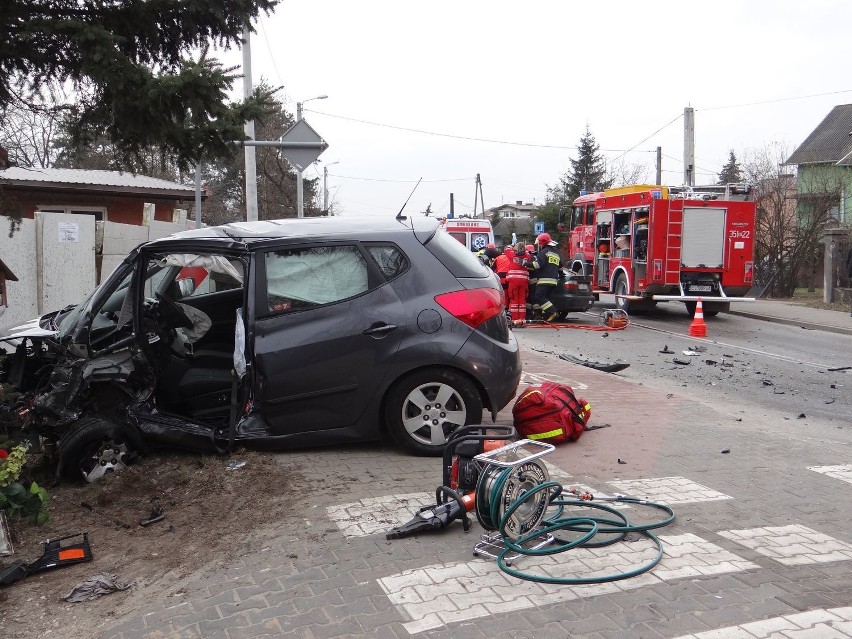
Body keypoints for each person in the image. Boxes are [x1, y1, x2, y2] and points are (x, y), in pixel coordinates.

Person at [532, 232, 562, 322]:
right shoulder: (555, 253)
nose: (539, 245)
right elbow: (560, 268)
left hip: (544, 280)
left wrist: (525, 263)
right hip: (553, 280)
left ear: (542, 243)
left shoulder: (543, 252)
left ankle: (553, 312)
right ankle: (545, 316)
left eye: (540, 244)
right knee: (546, 299)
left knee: (539, 296)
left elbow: (537, 265)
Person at [506, 243, 530, 324]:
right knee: (522, 301)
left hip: (513, 281)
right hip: (524, 281)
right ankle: (522, 320)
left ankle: (515, 320)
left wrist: (512, 245)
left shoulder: (512, 255)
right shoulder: (527, 256)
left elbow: (507, 249)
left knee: (514, 300)